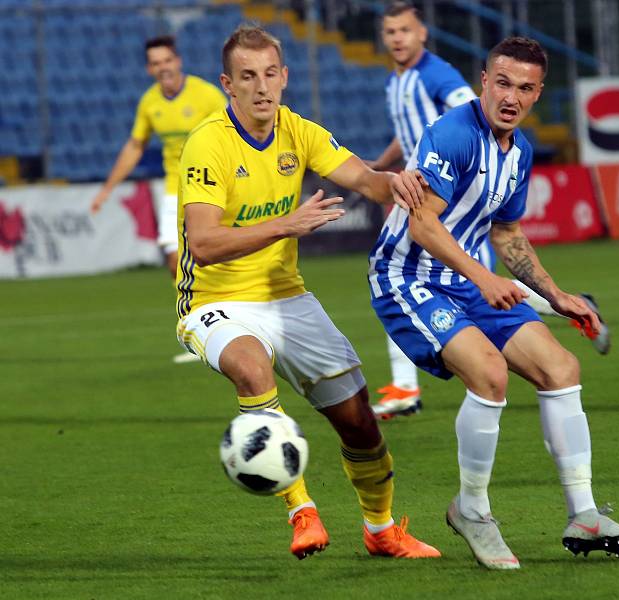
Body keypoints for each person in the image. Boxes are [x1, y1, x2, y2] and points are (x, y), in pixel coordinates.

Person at [369, 36, 619, 569]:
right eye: (503, 83)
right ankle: (471, 509)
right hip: (409, 278)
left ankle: (584, 515)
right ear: (483, 83)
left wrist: (555, 294)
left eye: (525, 87)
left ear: (538, 94)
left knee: (561, 367)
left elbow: (509, 233)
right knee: (489, 374)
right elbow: (422, 225)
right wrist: (482, 277)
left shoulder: (519, 151)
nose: (511, 96)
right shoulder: (452, 135)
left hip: (471, 280)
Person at [175, 24, 439, 562]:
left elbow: (365, 179)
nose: (261, 87)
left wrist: (408, 185)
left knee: (359, 421)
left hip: (286, 297)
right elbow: (202, 244)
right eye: (247, 77)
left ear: (285, 77)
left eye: (270, 74)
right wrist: (284, 226)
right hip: (213, 302)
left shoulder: (298, 130)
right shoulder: (208, 143)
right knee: (252, 369)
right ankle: (302, 510)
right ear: (228, 84)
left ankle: (382, 529)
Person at [368, 1, 609, 421]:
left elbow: (472, 110)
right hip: (428, 208)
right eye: (390, 32)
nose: (397, 39)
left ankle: (550, 305)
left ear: (422, 33)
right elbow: (412, 137)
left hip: (455, 195)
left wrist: (448, 151)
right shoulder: (396, 82)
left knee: (521, 357)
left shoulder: (438, 76)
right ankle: (406, 385)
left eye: (405, 30)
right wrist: (385, 166)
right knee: (481, 356)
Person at [90, 36, 227, 364]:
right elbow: (135, 145)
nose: (162, 67)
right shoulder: (149, 102)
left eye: (167, 60)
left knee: (213, 257)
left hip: (208, 188)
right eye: (155, 63)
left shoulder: (206, 94)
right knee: (174, 261)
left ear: (178, 61)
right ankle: (202, 329)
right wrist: (107, 188)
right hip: (172, 190)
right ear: (149, 68)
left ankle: (223, 326)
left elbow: (231, 132)